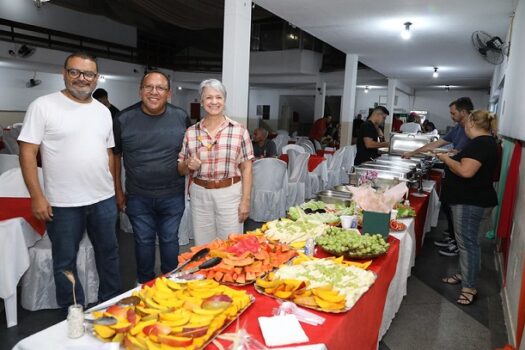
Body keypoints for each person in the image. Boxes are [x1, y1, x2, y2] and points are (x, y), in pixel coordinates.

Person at [18, 52, 120, 307]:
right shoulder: (43, 105)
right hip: (63, 203)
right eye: (75, 72)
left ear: (96, 78)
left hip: (102, 199)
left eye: (88, 74)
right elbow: (27, 152)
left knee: (109, 254)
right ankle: (73, 312)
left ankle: (112, 304)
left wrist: (114, 189)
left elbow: (108, 153)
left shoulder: (103, 111)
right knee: (65, 261)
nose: (81, 78)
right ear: (64, 73)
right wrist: (37, 196)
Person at [113, 70, 189, 284]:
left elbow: (190, 152)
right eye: (149, 87)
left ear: (169, 93)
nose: (154, 92)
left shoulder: (181, 117)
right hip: (138, 195)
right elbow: (115, 157)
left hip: (173, 194)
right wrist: (118, 191)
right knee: (143, 241)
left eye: (160, 88)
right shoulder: (123, 118)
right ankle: (145, 283)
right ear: (140, 91)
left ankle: (171, 282)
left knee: (169, 240)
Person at [177, 79, 254, 245]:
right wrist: (188, 164)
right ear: (202, 102)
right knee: (204, 247)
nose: (214, 102)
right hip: (200, 195)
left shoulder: (239, 130)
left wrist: (246, 201)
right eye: (208, 98)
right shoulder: (191, 132)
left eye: (218, 97)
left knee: (231, 247)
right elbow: (180, 168)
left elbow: (247, 167)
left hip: (230, 194)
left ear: (224, 100)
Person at [437, 110, 498, 305]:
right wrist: (456, 156)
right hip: (474, 200)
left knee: (468, 245)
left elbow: (466, 171)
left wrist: (446, 159)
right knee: (469, 244)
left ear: (471, 123)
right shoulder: (486, 142)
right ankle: (465, 275)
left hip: (470, 202)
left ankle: (469, 287)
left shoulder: (481, 143)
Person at [403, 97, 474, 256]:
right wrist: (413, 153)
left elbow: (468, 155)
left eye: (453, 113)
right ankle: (452, 236)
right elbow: (436, 144)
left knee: (457, 213)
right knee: (448, 207)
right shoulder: (457, 128)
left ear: (464, 112)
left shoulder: (472, 129)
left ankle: (457, 244)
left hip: (464, 178)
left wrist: (453, 154)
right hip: (453, 173)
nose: (451, 116)